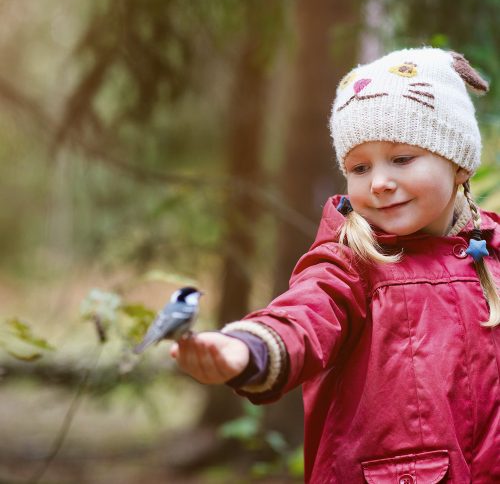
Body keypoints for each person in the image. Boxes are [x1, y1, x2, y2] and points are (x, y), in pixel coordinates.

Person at [170, 47, 500, 483]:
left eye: (402, 158)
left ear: (458, 164)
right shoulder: (352, 262)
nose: (379, 182)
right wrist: (251, 347)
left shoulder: (493, 251)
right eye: (359, 167)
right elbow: (307, 312)